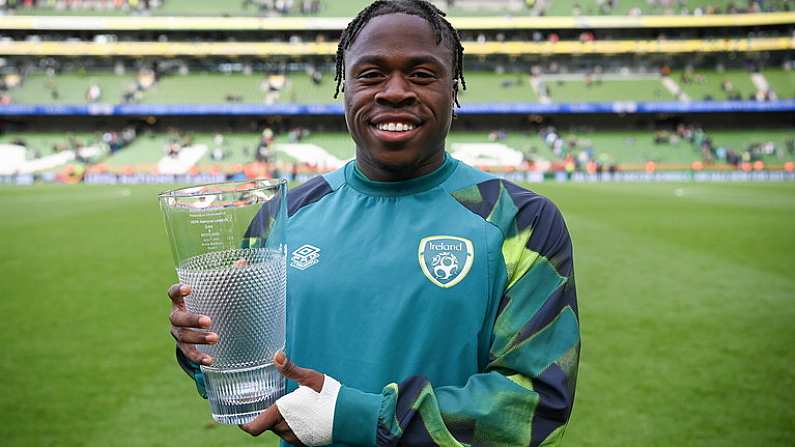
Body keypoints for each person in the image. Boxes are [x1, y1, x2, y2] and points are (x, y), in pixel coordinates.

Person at [167, 1, 580, 445]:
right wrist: (200, 347)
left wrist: (359, 417)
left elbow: (535, 404)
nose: (395, 91)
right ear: (344, 87)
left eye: (421, 74)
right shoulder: (281, 217)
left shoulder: (520, 221)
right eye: (371, 74)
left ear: (453, 88)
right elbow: (245, 365)